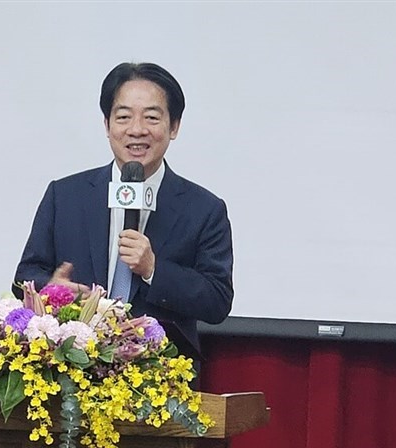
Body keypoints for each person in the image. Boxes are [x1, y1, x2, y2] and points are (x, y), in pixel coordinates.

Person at [14, 62, 233, 362]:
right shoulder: (65, 196)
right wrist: (51, 290)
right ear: (107, 125)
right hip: (72, 370)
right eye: (124, 117)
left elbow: (217, 301)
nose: (137, 130)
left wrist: (154, 269)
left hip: (161, 377)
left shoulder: (204, 209)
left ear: (174, 127)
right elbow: (24, 276)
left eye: (152, 117)